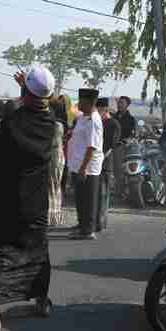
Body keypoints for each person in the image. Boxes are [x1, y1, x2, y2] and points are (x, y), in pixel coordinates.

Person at [0, 66, 58, 331]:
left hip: (7, 203)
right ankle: (41, 302)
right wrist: (27, 89)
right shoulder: (50, 122)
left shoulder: (11, 124)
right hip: (36, 203)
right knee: (37, 251)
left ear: (26, 92)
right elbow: (41, 104)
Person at [67, 88, 103, 240]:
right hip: (78, 164)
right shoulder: (83, 117)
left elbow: (92, 147)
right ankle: (82, 225)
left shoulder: (94, 120)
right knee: (80, 198)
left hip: (87, 166)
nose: (78, 103)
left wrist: (83, 168)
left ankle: (88, 231)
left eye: (81, 101)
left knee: (88, 199)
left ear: (89, 102)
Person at [95, 98, 120, 232]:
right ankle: (93, 221)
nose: (97, 112)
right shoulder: (97, 122)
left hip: (105, 164)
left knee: (103, 195)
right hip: (94, 163)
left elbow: (112, 146)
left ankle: (101, 222)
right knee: (95, 195)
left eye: (99, 110)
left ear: (105, 110)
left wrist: (101, 158)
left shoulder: (113, 124)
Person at [47, 97, 67, 226]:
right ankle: (55, 216)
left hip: (53, 156)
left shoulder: (55, 125)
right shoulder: (60, 124)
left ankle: (51, 217)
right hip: (58, 156)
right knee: (56, 187)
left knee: (51, 186)